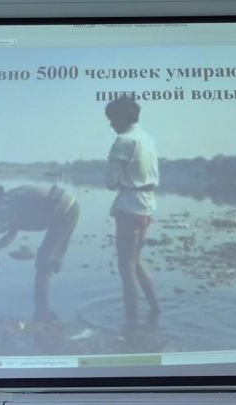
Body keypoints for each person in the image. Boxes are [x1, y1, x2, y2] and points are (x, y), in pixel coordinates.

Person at [0, 184, 79, 323]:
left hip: (63, 208)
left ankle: (42, 312)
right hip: (67, 206)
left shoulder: (6, 202)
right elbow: (11, 234)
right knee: (47, 259)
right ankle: (43, 308)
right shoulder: (14, 200)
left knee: (45, 261)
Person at [104, 95, 160, 334]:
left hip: (129, 206)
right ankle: (155, 310)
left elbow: (110, 183)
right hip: (147, 204)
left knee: (125, 267)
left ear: (121, 118)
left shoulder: (123, 141)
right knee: (136, 260)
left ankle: (131, 325)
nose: (110, 124)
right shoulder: (147, 138)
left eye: (112, 119)